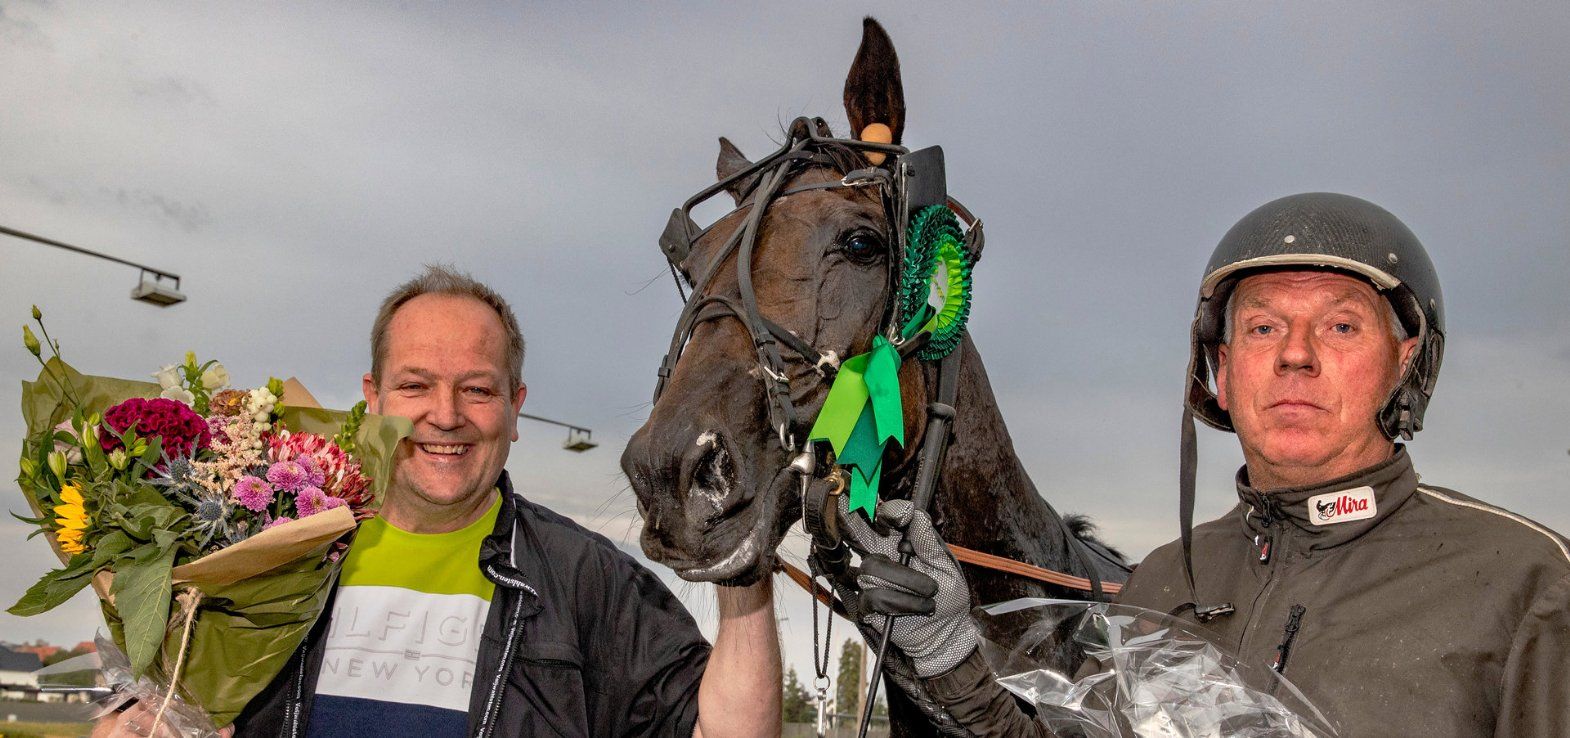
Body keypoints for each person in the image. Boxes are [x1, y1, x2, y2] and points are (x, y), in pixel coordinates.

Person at [836, 193, 1570, 737]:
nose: (1295, 354)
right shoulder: (1161, 585)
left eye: (1341, 325)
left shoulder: (1528, 584)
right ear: (1221, 368)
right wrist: (949, 657)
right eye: (1263, 327)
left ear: (1405, 364)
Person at [96, 265, 781, 738]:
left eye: (477, 390)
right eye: (415, 386)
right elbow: (153, 703)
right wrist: (136, 720)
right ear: (373, 398)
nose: (446, 416)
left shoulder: (588, 581)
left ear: (515, 407)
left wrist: (742, 566)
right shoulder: (262, 548)